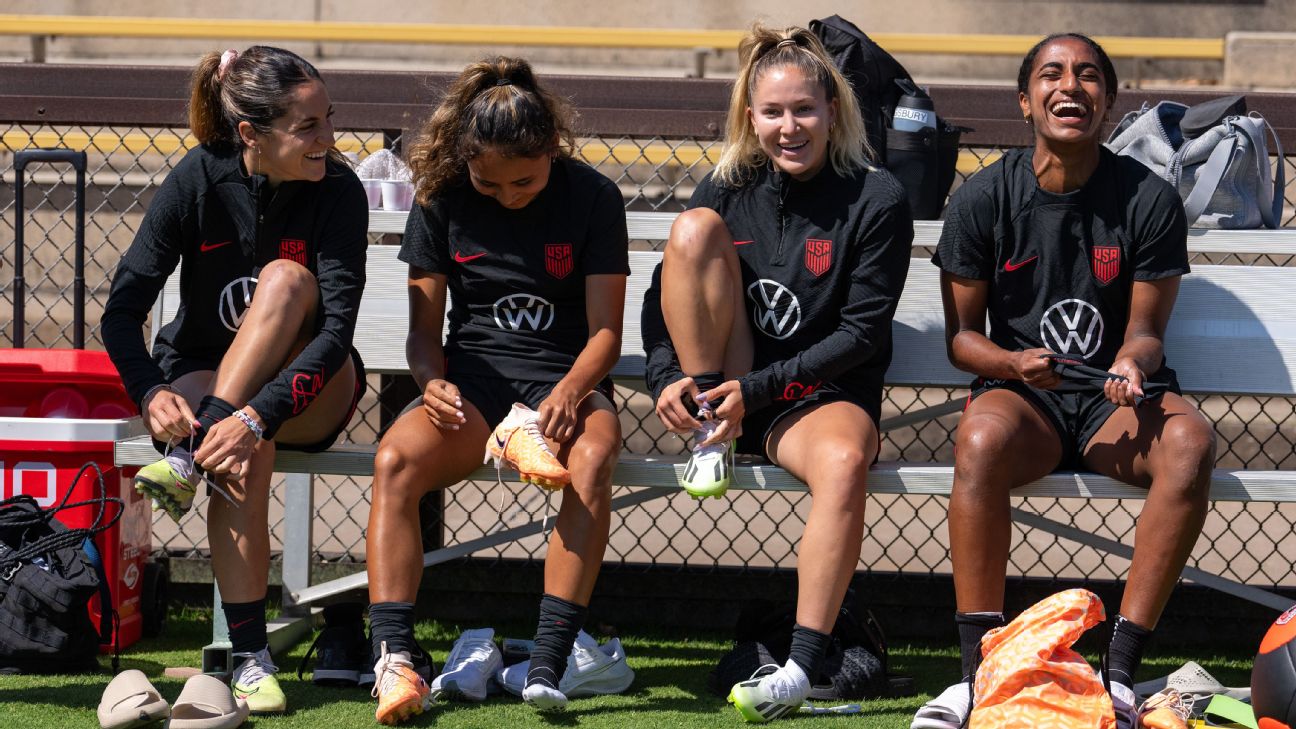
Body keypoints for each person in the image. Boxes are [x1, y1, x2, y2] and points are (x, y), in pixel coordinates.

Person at [910, 33, 1216, 729]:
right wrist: (1014, 364)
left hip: (1115, 408)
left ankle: (1119, 673)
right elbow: (963, 340)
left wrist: (1132, 361)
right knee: (980, 437)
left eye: (1087, 76)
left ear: (1107, 102)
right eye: (1051, 74)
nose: (1069, 86)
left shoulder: (1148, 198)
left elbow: (1145, 330)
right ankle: (979, 673)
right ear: (1025, 100)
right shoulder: (984, 196)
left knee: (1191, 441)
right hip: (1026, 402)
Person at [642, 24, 913, 724]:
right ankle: (710, 433)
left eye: (804, 110)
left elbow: (862, 333)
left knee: (849, 458)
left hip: (811, 398)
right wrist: (671, 376)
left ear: (833, 112)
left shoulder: (877, 197)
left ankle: (799, 663)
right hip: (727, 389)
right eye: (772, 112)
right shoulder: (729, 183)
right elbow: (659, 294)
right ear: (749, 116)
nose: (788, 127)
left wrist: (758, 391)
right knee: (691, 231)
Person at [102, 46, 368, 715]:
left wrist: (247, 414)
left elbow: (335, 336)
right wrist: (150, 392)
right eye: (307, 127)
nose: (327, 139)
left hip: (315, 386)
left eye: (326, 119)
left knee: (286, 278)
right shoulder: (197, 178)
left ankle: (191, 456)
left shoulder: (338, 190)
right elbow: (121, 313)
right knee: (243, 454)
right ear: (251, 133)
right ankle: (250, 658)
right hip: (205, 385)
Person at [364, 57, 628, 725]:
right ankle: (394, 661)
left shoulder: (593, 198)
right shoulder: (442, 196)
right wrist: (433, 383)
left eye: (525, 181)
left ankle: (548, 659)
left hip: (562, 383)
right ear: (464, 159)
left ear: (553, 150)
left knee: (593, 459)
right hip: (476, 386)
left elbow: (606, 336)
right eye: (490, 181)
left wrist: (569, 391)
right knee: (394, 460)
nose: (508, 194)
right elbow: (424, 334)